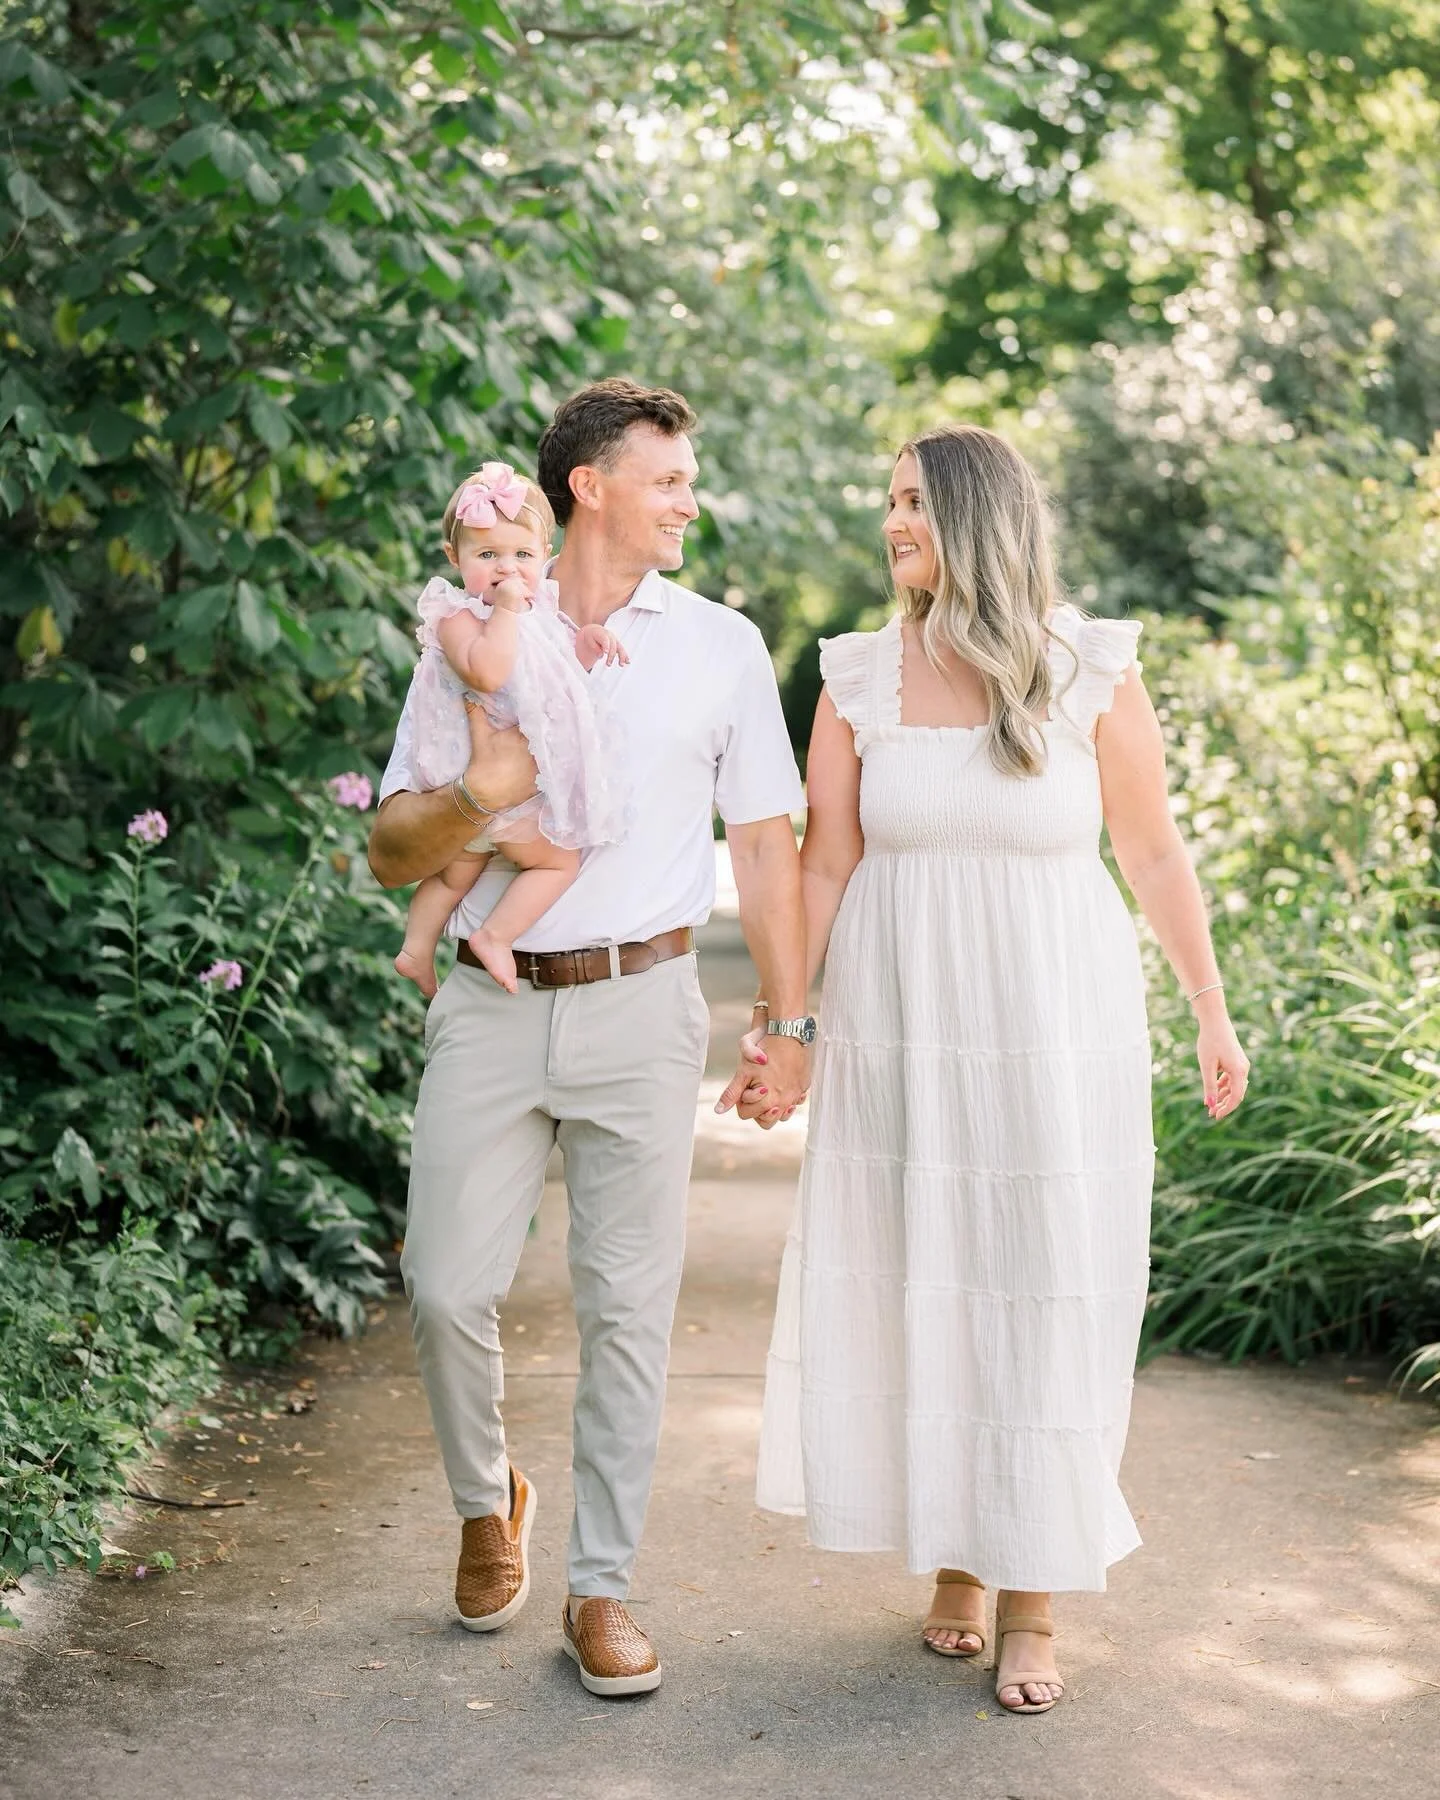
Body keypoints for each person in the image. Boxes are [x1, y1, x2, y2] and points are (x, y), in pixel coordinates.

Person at [746, 422, 1250, 1715]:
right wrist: (790, 1028)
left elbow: (1150, 852)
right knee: (933, 1278)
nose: (893, 523)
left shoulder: (1085, 668)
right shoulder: (860, 675)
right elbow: (822, 863)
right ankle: (957, 1564)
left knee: (1041, 1285)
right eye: (890, 502)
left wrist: (1210, 1007)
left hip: (1051, 1027)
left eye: (913, 502)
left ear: (976, 518)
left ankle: (1035, 1596)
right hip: (904, 1029)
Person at [367, 379, 812, 1698]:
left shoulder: (721, 646)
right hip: (490, 1005)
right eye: (668, 478)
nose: (690, 501)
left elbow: (769, 852)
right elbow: (394, 849)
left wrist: (785, 1022)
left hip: (644, 1003)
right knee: (445, 1286)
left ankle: (601, 1585)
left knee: (631, 1311)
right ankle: (484, 1495)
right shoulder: (472, 638)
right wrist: (478, 792)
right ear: (589, 487)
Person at [394, 462, 630, 999]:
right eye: (487, 556)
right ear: (456, 559)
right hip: (475, 779)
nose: (507, 570)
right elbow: (489, 671)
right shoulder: (456, 616)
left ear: (544, 554)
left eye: (522, 556)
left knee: (458, 873)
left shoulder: (537, 609)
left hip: (496, 787)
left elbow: (546, 669)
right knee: (558, 862)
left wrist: (586, 643)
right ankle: (495, 936)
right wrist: (504, 610)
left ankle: (414, 949)